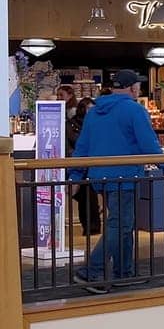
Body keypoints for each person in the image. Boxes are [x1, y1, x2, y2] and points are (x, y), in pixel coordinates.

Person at [68, 70, 164, 290]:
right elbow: (148, 144)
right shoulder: (134, 110)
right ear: (133, 88)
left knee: (122, 223)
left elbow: (82, 146)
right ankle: (91, 271)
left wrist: (75, 174)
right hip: (125, 176)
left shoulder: (94, 112)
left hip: (99, 176)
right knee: (120, 225)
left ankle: (124, 272)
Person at [65, 98, 101, 240]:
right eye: (89, 109)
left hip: (89, 167)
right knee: (86, 192)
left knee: (88, 192)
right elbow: (69, 148)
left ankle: (92, 226)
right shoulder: (71, 126)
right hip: (78, 166)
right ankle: (91, 226)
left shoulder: (95, 126)